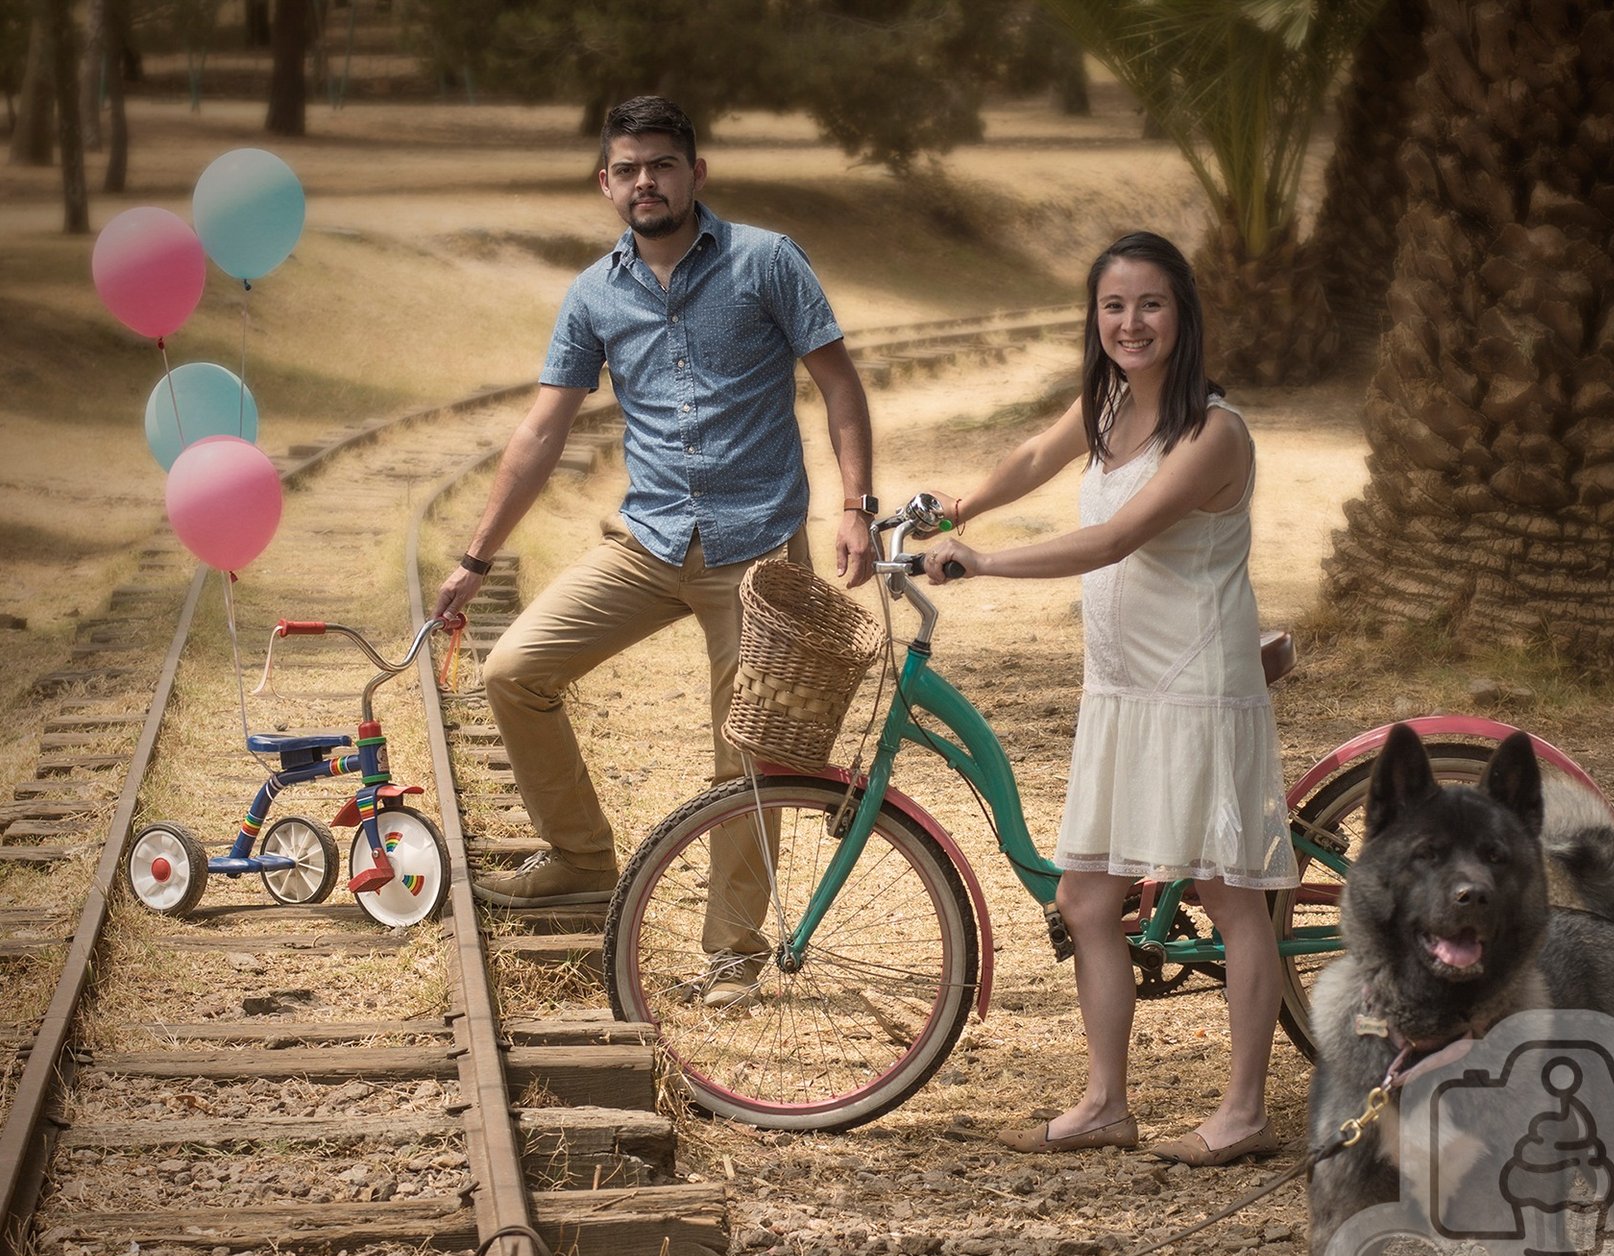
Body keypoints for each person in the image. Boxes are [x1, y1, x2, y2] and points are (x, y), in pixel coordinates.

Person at [430, 95, 877, 995]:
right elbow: (542, 431)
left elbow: (839, 385)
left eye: (662, 165)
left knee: (747, 749)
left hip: (755, 553)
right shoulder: (595, 292)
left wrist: (855, 506)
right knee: (514, 671)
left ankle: (735, 950)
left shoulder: (765, 261)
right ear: (606, 183)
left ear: (695, 174)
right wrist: (475, 559)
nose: (646, 182)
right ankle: (583, 858)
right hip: (648, 539)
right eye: (628, 168)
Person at [922, 231, 1296, 1167]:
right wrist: (954, 511)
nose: (1131, 323)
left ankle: (1244, 1112)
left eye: (1151, 304)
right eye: (1113, 306)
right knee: (1089, 898)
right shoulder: (1107, 402)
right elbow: (1029, 455)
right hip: (1124, 687)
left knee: (1227, 891)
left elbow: (1118, 538)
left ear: (1184, 315)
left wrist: (988, 561)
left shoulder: (1214, 433)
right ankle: (1104, 1105)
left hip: (1196, 687)